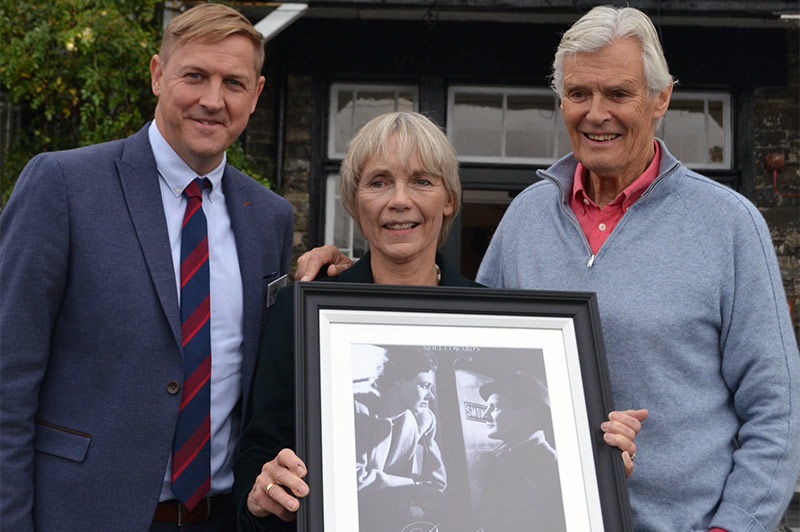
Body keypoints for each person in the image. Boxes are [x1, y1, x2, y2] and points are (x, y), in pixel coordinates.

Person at [295, 6, 800, 531]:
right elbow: (460, 338)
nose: (595, 113)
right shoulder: (526, 216)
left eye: (618, 94)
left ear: (661, 98)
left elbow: (778, 411)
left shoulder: (729, 224)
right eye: (579, 93)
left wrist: (732, 527)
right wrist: (360, 281)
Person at [233, 111, 643, 531]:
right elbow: (260, 449)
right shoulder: (301, 313)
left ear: (448, 199)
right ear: (355, 202)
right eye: (378, 182)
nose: (399, 200)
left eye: (422, 181)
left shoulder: (499, 322)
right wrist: (263, 493)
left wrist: (600, 464)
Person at [0, 4, 294, 531]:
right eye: (195, 76)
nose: (212, 100)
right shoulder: (62, 187)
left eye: (233, 82)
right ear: (158, 75)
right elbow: (7, 381)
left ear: (256, 95)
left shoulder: (269, 218)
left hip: (218, 517)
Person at [354, 346, 447, 529]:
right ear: (397, 380)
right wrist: (413, 488)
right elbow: (352, 479)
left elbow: (436, 484)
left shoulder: (422, 420)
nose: (430, 395)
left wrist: (427, 496)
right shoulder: (357, 410)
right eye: (423, 385)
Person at [476, 372, 566, 531]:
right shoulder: (505, 458)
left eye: (494, 408)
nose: (485, 415)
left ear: (524, 416)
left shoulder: (546, 464)